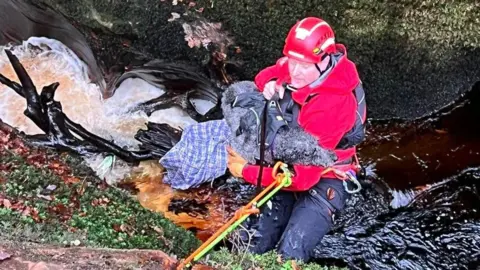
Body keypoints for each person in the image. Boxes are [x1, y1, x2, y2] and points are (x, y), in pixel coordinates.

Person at [226, 17, 367, 262]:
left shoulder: (332, 105)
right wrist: (271, 83)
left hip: (326, 176)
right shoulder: (300, 66)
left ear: (324, 60)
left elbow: (302, 179)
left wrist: (246, 171)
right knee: (251, 246)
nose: (295, 71)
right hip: (292, 162)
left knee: (289, 255)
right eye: (293, 61)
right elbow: (264, 76)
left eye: (303, 65)